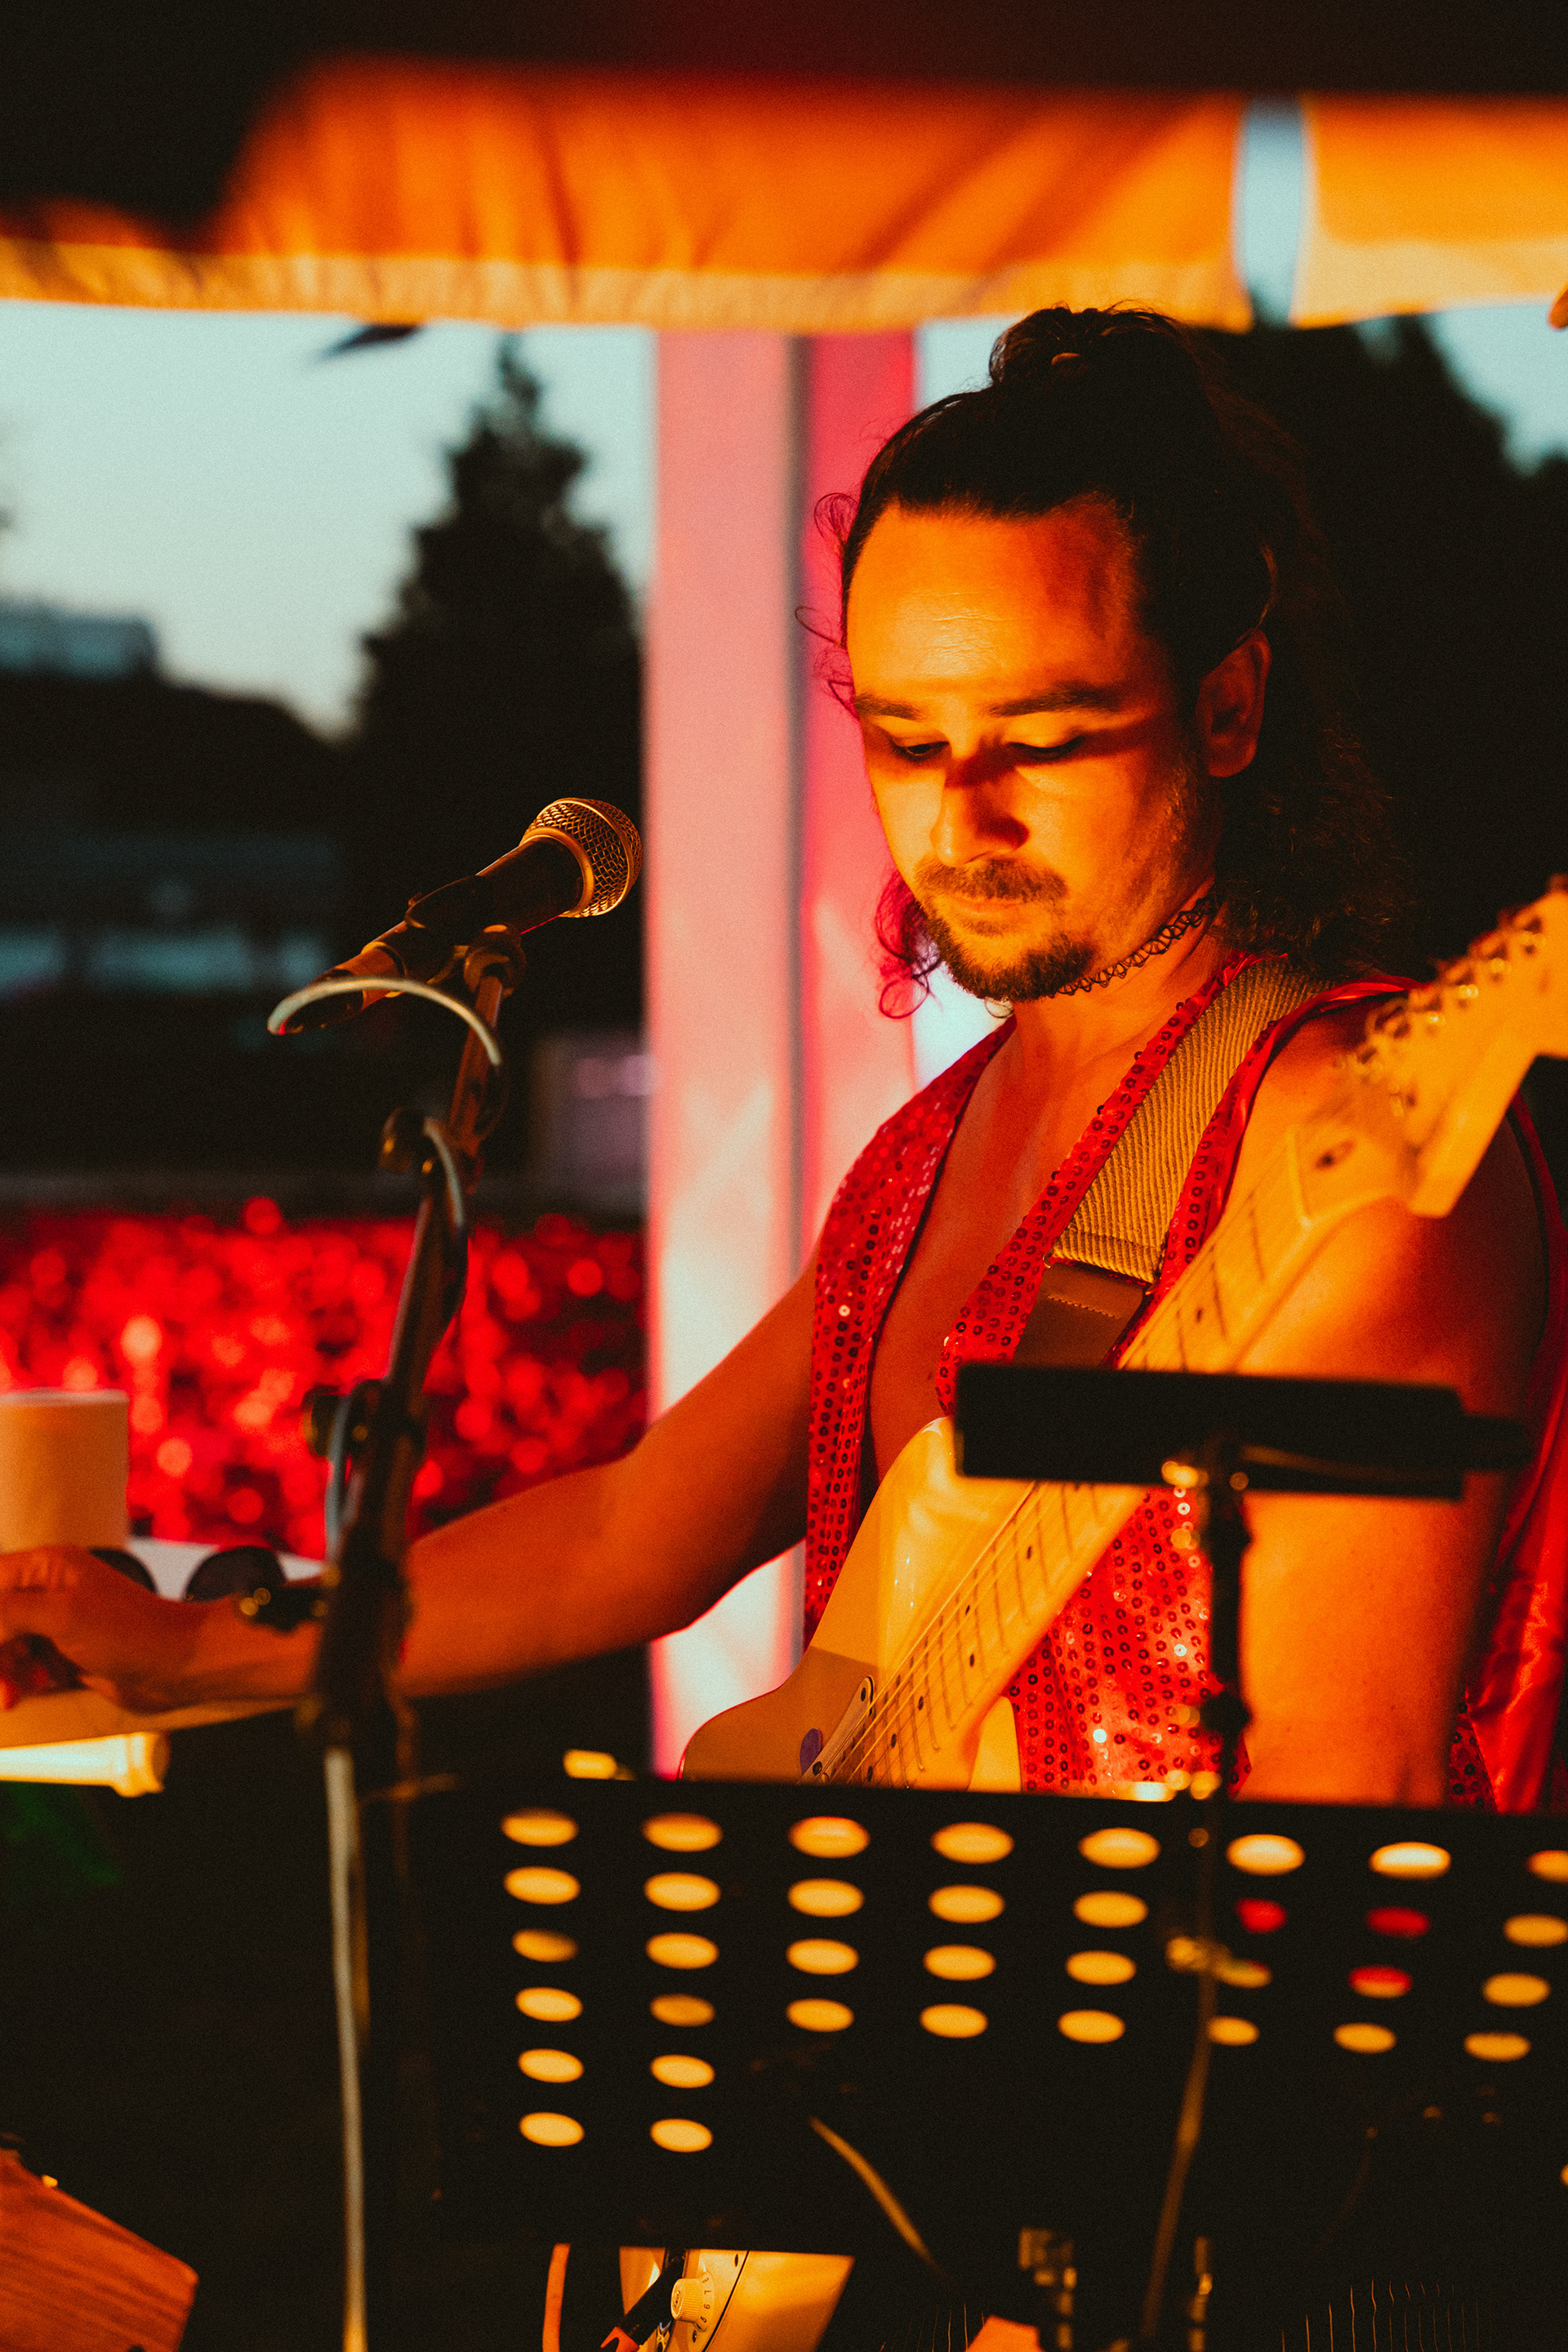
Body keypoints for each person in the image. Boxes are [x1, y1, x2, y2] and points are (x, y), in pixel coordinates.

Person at [2, 305, 1563, 1809]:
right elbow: (630, 1536)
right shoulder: (922, 1156)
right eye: (907, 738)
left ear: (1227, 707)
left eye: (1045, 737)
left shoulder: (1346, 1144)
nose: (963, 815)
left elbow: (1347, 1796)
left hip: (1159, 2001)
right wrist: (190, 1652)